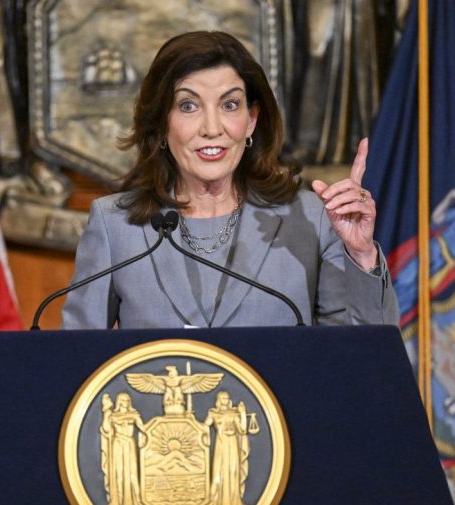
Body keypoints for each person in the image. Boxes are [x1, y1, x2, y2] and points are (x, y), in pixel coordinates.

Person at [62, 31, 398, 329]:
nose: (212, 127)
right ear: (162, 124)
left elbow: (363, 361)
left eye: (230, 104)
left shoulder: (311, 218)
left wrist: (361, 256)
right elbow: (77, 363)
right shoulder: (115, 226)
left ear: (251, 120)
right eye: (188, 105)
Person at [204, 391, 250, 505]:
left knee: (233, 470)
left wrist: (243, 413)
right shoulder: (213, 413)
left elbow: (243, 429)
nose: (225, 400)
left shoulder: (234, 413)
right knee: (218, 472)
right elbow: (204, 426)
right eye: (223, 398)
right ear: (218, 400)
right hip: (221, 444)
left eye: (226, 398)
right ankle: (217, 501)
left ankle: (233, 501)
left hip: (232, 443)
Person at [100, 393, 144, 505]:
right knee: (119, 474)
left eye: (128, 400)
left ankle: (137, 501)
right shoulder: (113, 415)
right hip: (118, 444)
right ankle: (119, 501)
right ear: (119, 401)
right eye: (124, 400)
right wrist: (106, 413)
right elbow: (106, 429)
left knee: (133, 474)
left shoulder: (134, 414)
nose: (127, 402)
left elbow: (144, 428)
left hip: (129, 444)